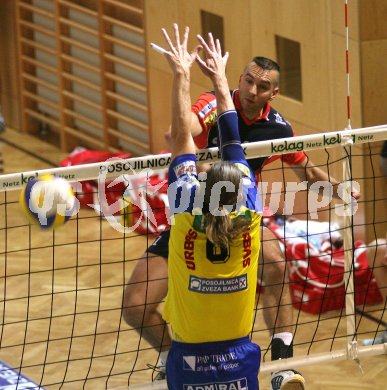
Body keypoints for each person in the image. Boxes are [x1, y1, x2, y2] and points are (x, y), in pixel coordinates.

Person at [123, 31, 358, 388]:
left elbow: (306, 172)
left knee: (277, 265)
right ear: (237, 80)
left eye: (261, 86)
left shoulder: (278, 127)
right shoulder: (210, 105)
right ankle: (173, 357)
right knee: (135, 306)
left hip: (240, 221)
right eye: (247, 81)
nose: (251, 91)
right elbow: (180, 132)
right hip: (193, 218)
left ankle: (282, 364)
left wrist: (342, 191)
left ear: (273, 93)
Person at [157, 23, 264, 389]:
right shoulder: (249, 214)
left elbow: (181, 135)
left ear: (205, 187)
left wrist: (181, 74)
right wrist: (220, 81)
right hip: (239, 351)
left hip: (188, 354)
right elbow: (232, 136)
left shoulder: (187, 213)